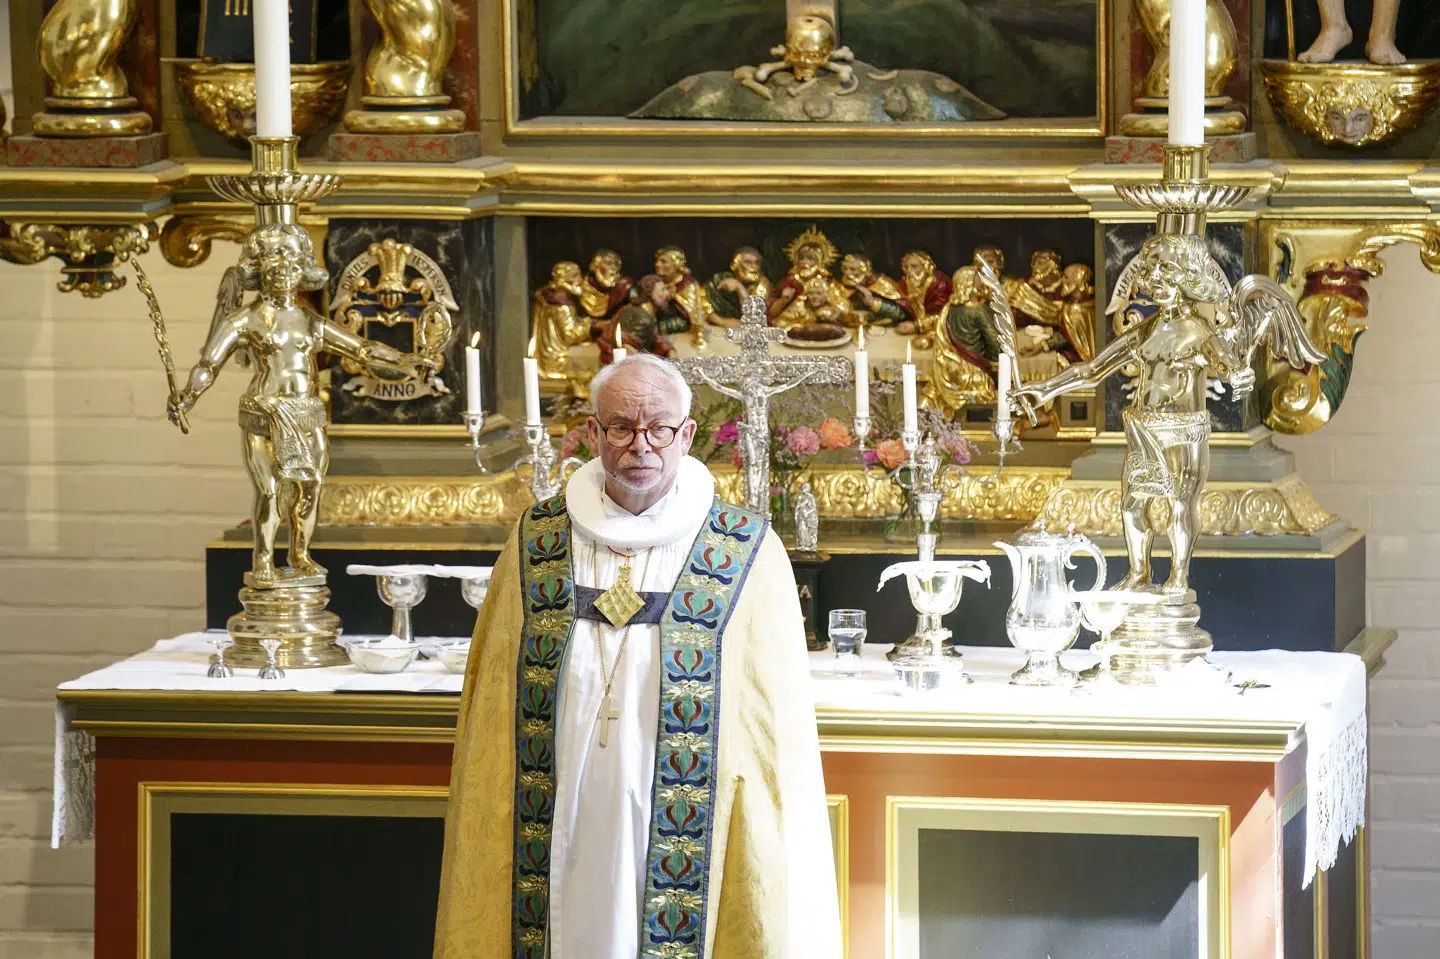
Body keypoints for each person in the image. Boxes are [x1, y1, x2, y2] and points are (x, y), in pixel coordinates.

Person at [435, 354, 842, 959]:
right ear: (594, 434)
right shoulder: (538, 540)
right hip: (561, 806)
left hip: (685, 818)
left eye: (659, 429)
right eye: (621, 427)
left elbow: (769, 732)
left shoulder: (745, 550)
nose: (640, 445)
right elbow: (494, 709)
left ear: (687, 436)